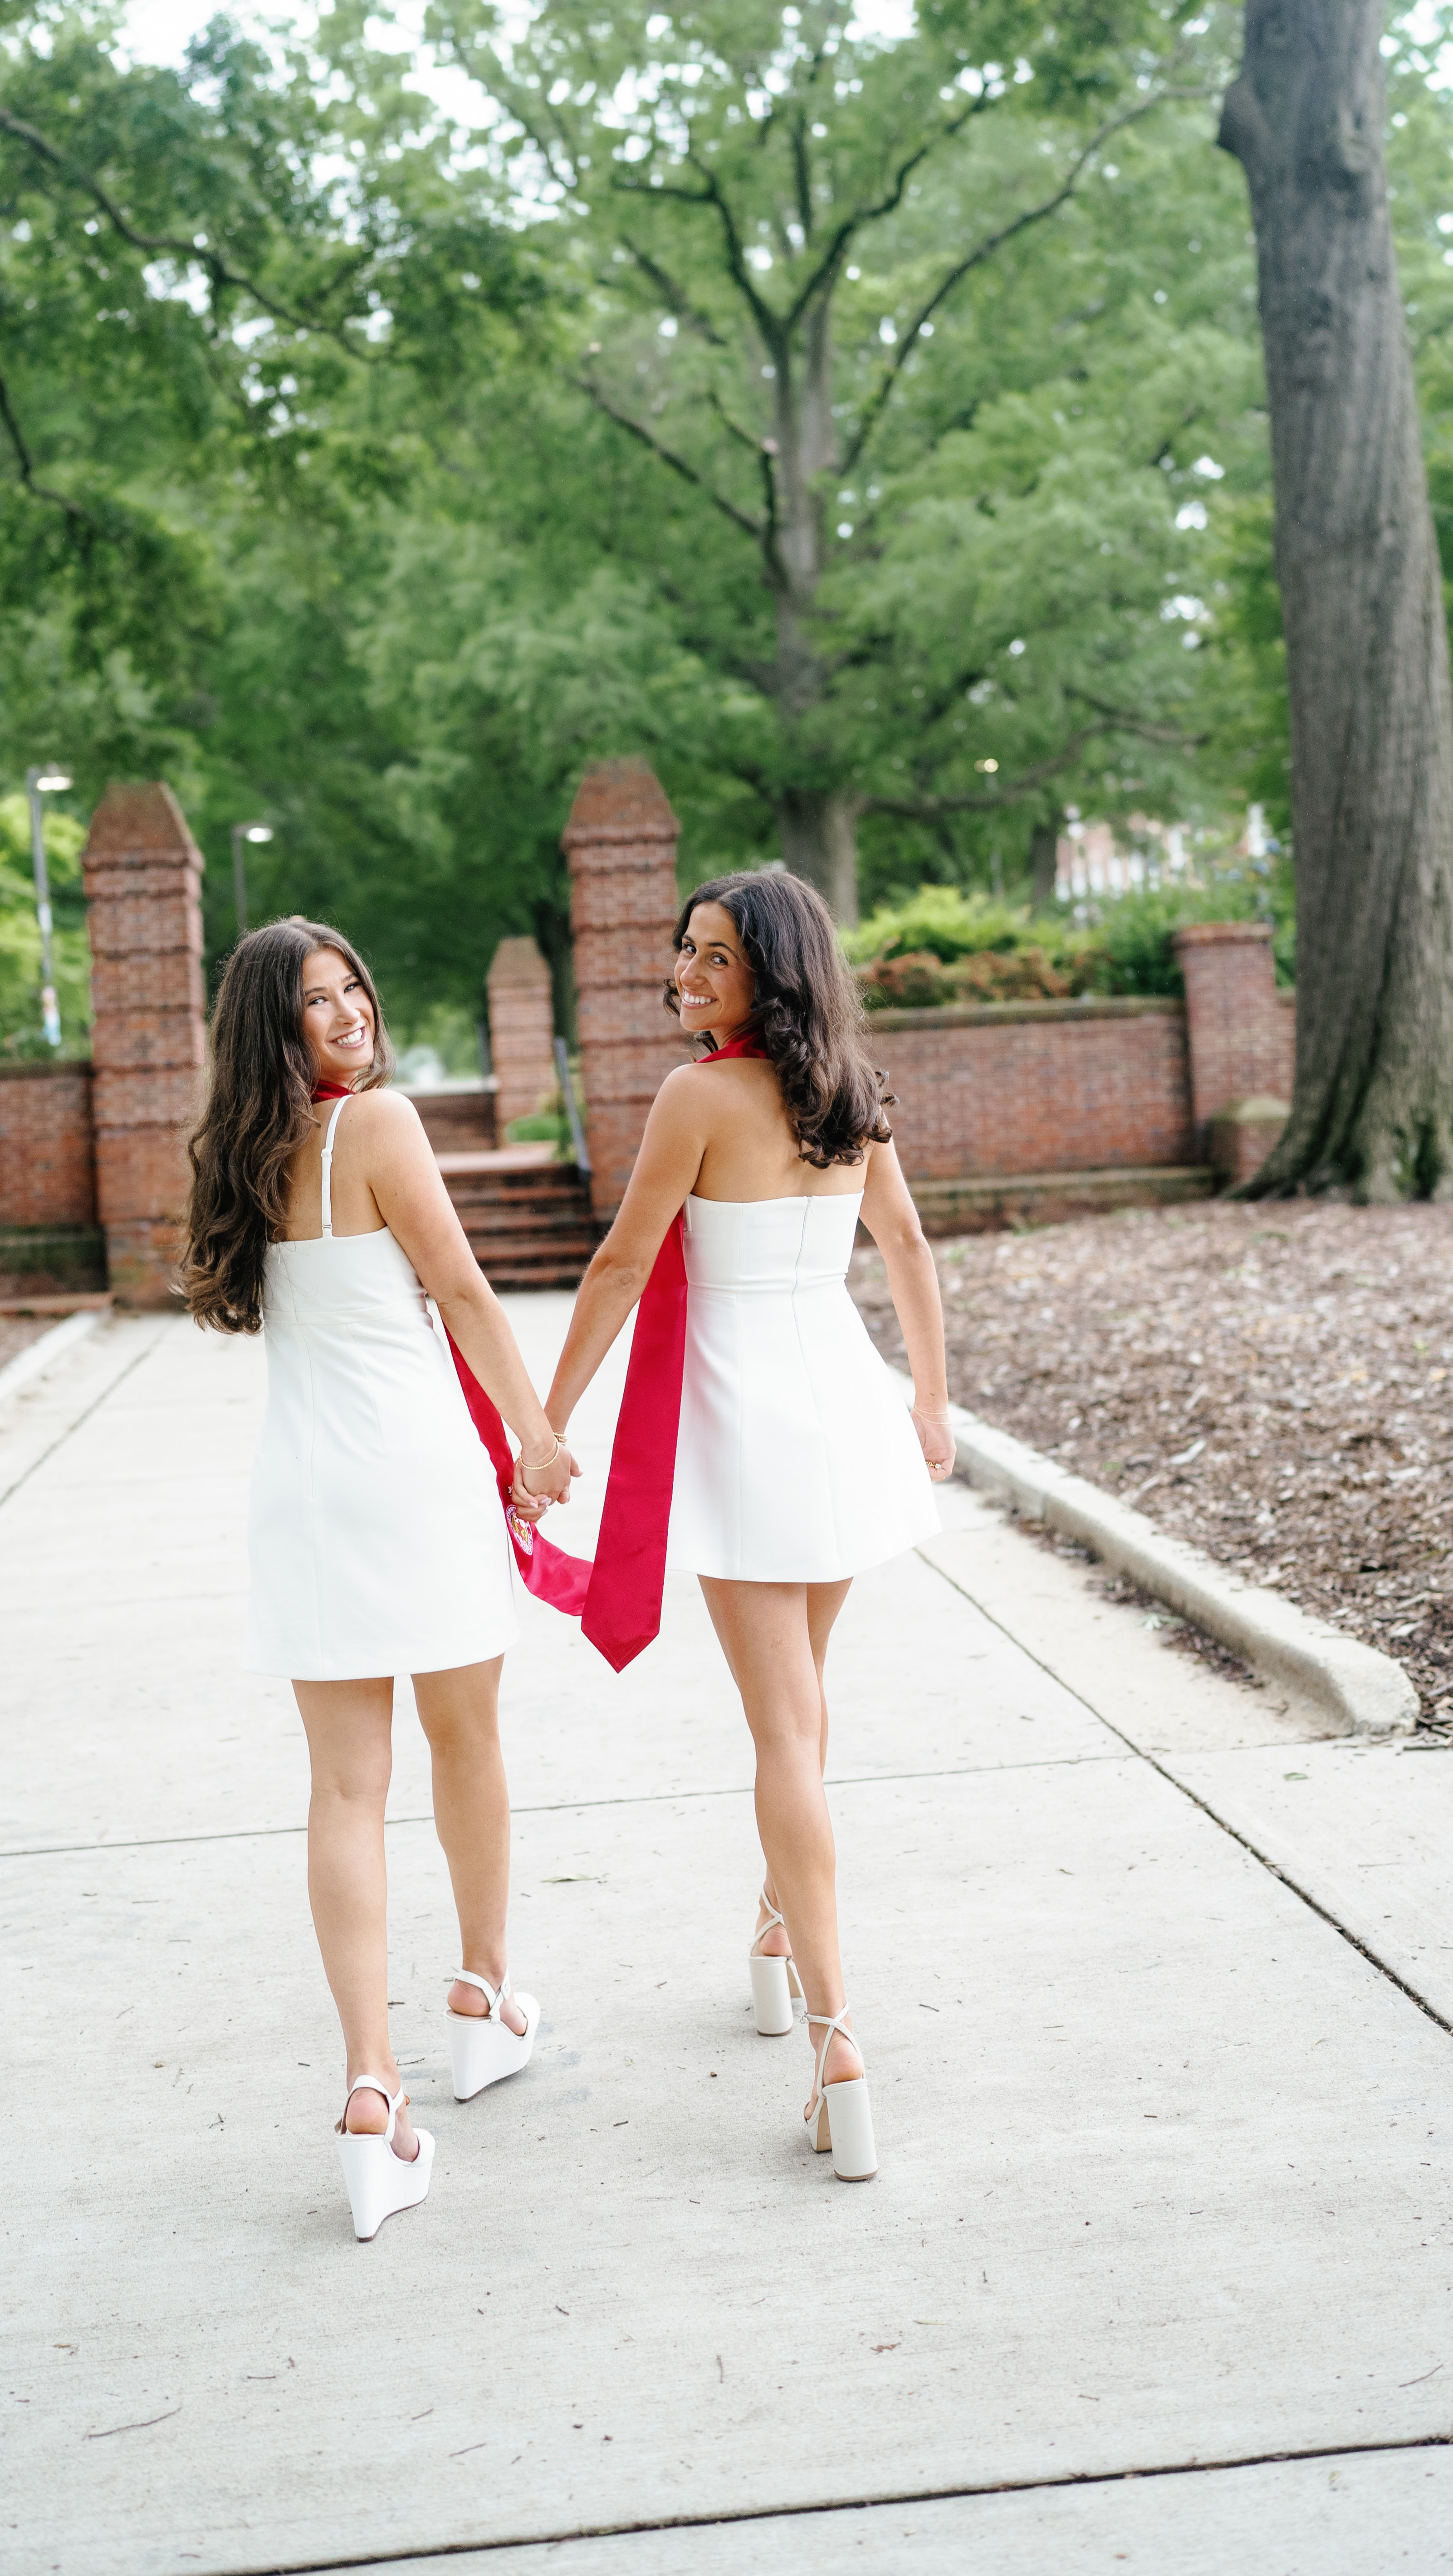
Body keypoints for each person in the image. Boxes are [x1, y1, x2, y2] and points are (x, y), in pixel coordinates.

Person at [519, 870, 953, 2181]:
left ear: (774, 967)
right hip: (844, 1412)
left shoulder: (699, 1098)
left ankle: (838, 2041)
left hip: (754, 1427)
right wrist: (929, 1402)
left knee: (786, 1735)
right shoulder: (847, 1090)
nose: (687, 972)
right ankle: (776, 1935)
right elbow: (908, 1250)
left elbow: (622, 1263)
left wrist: (548, 1419)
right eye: (684, 950)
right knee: (806, 1712)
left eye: (715, 956)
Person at [179, 918, 577, 2241]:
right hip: (411, 1480)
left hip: (300, 1495)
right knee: (468, 1744)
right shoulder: (382, 1128)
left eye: (352, 987)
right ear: (272, 1028)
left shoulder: (238, 1161)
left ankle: (371, 2088)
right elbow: (462, 1292)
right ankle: (485, 1992)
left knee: (344, 1788)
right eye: (314, 1003)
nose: (348, 1012)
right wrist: (533, 1434)